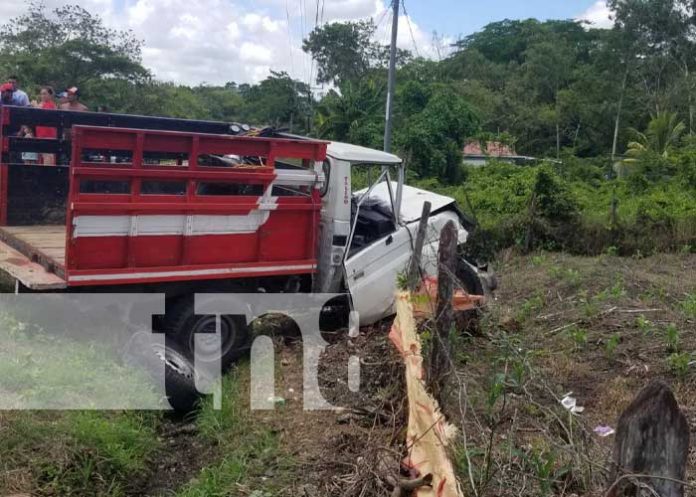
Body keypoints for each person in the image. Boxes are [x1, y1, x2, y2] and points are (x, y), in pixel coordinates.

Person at [34, 86, 58, 165]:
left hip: (48, 135)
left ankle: (48, 175)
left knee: (48, 158)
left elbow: (44, 115)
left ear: (50, 95)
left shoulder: (50, 105)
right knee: (41, 159)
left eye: (45, 94)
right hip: (40, 135)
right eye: (41, 94)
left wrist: (35, 106)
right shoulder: (42, 104)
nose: (42, 96)